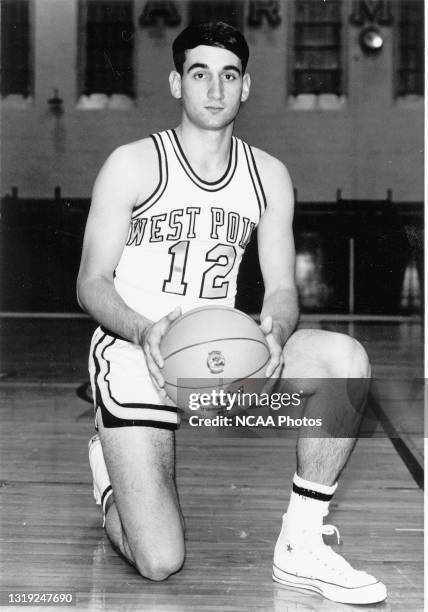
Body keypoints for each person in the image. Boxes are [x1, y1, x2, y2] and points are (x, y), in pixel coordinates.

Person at [77, 22, 387, 605]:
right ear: (176, 83)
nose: (215, 89)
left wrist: (275, 332)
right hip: (136, 351)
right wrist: (144, 329)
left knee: (342, 359)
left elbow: (280, 290)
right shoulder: (132, 165)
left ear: (246, 87)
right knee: (160, 562)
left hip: (218, 357)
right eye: (200, 74)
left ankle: (301, 543)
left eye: (229, 75)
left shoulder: (268, 176)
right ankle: (111, 479)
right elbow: (90, 284)